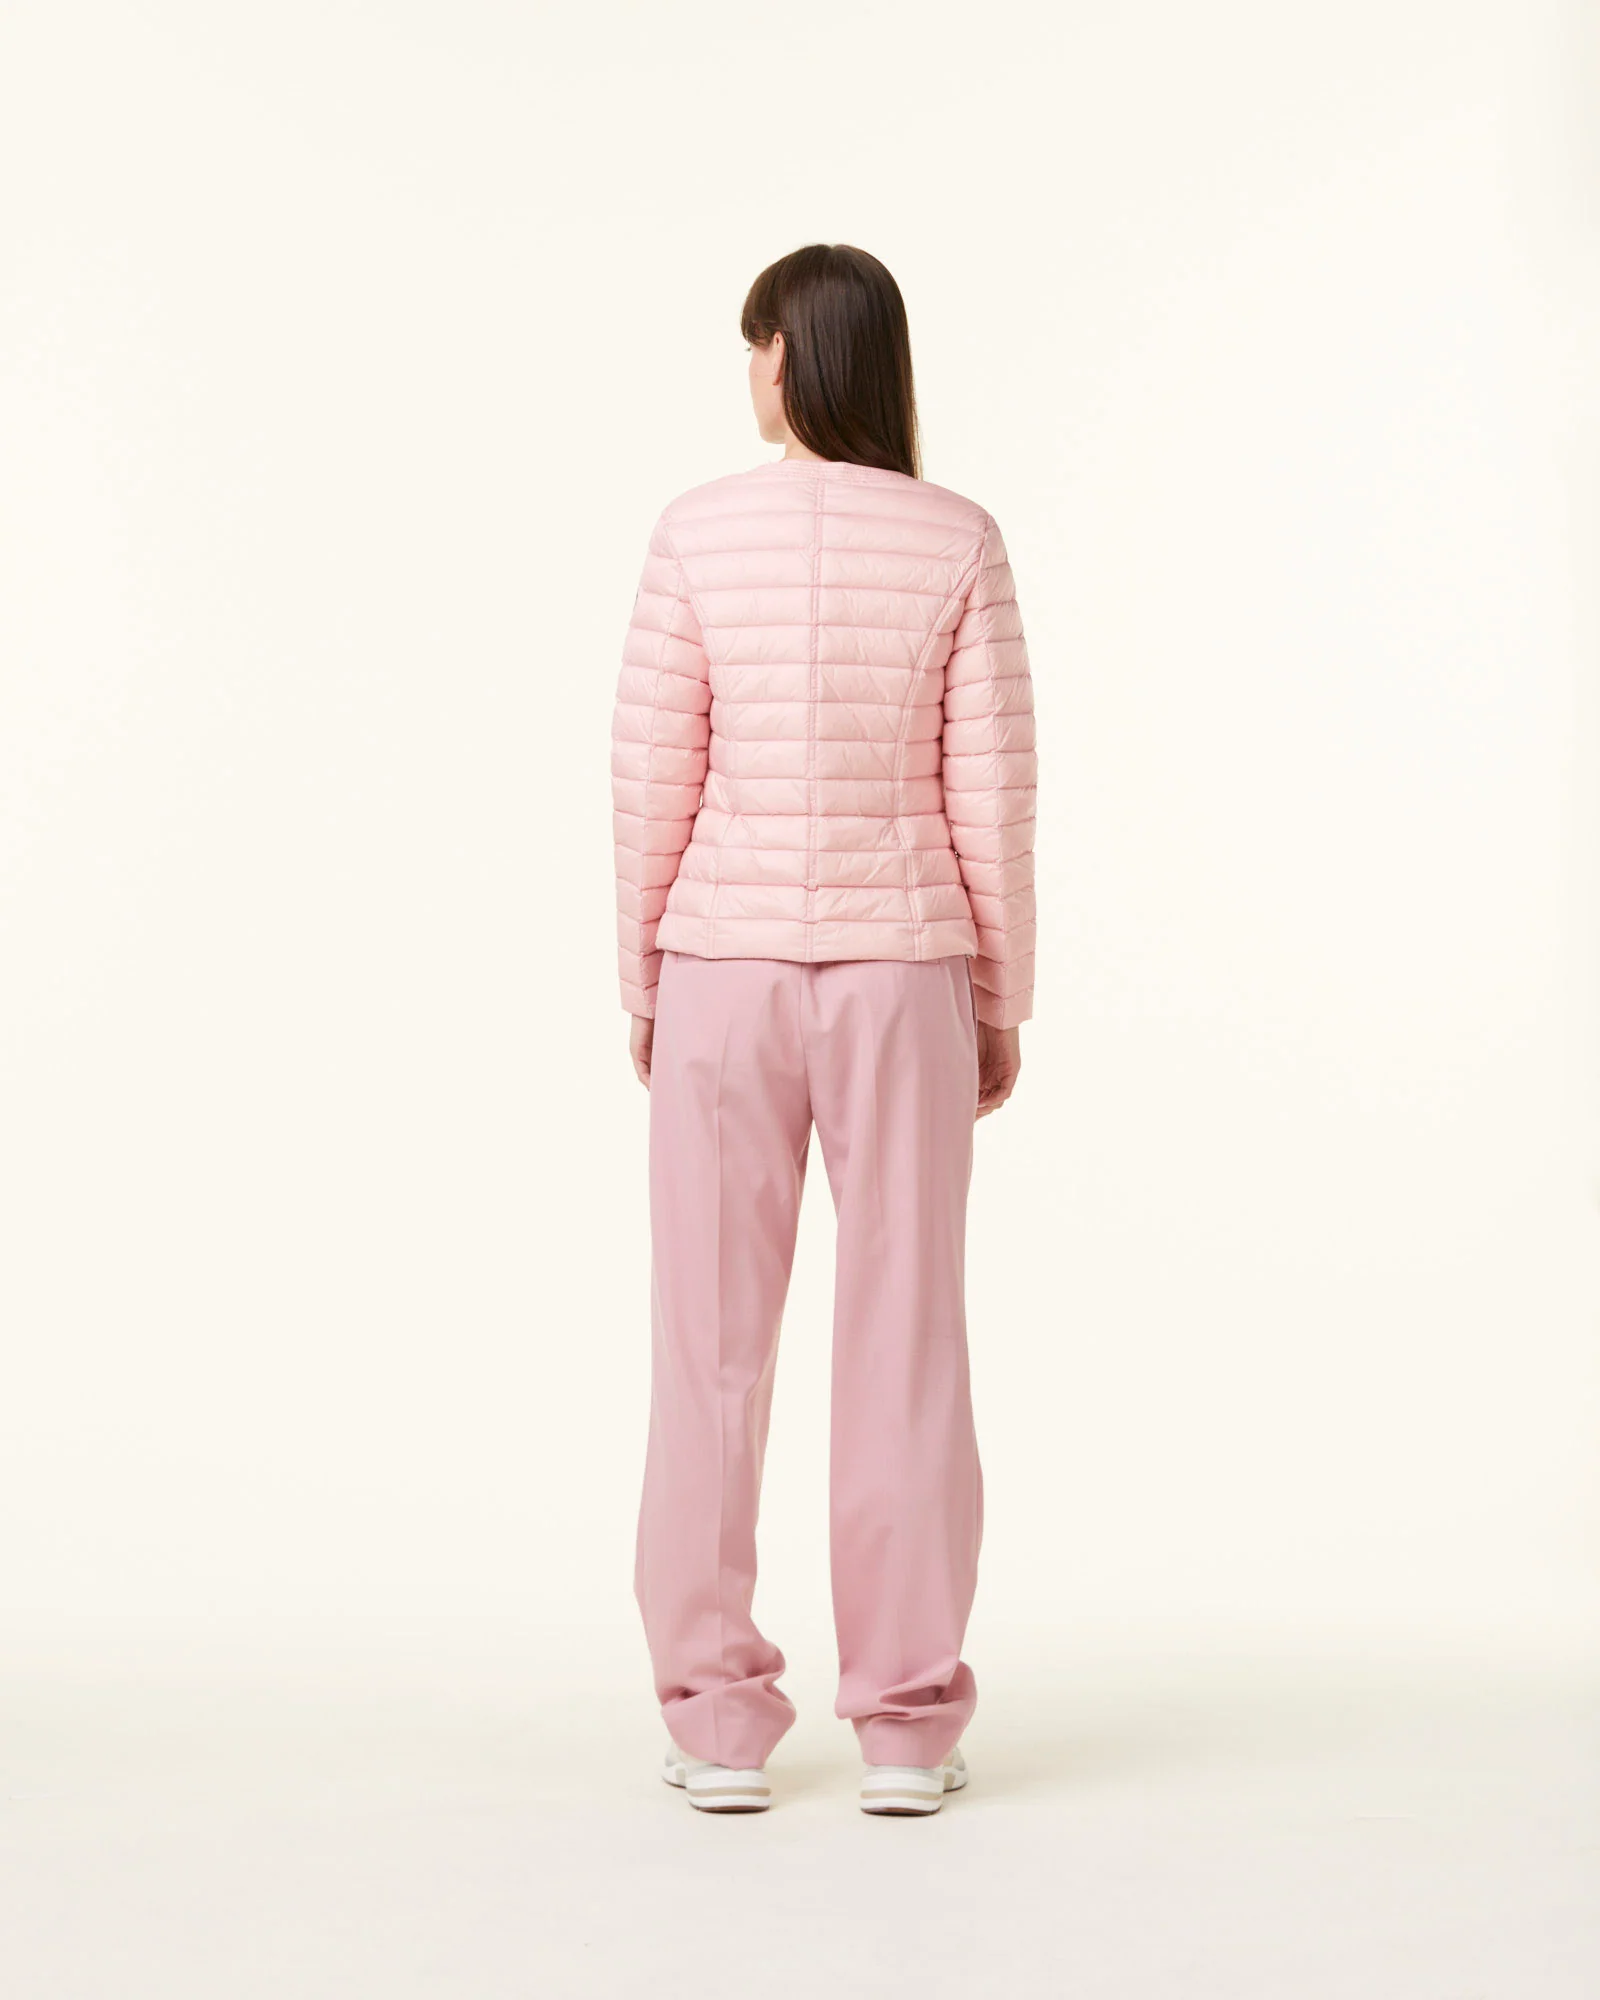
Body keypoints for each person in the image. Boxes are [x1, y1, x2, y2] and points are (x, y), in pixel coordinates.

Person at [610, 243, 1037, 1816]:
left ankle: (717, 1724)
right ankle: (907, 1728)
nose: (751, 371)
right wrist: (998, 998)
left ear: (791, 356)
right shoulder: (958, 537)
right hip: (902, 968)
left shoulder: (695, 531)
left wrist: (647, 980)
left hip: (721, 966)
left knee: (707, 1350)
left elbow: (652, 775)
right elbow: (992, 795)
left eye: (757, 344)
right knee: (907, 1338)